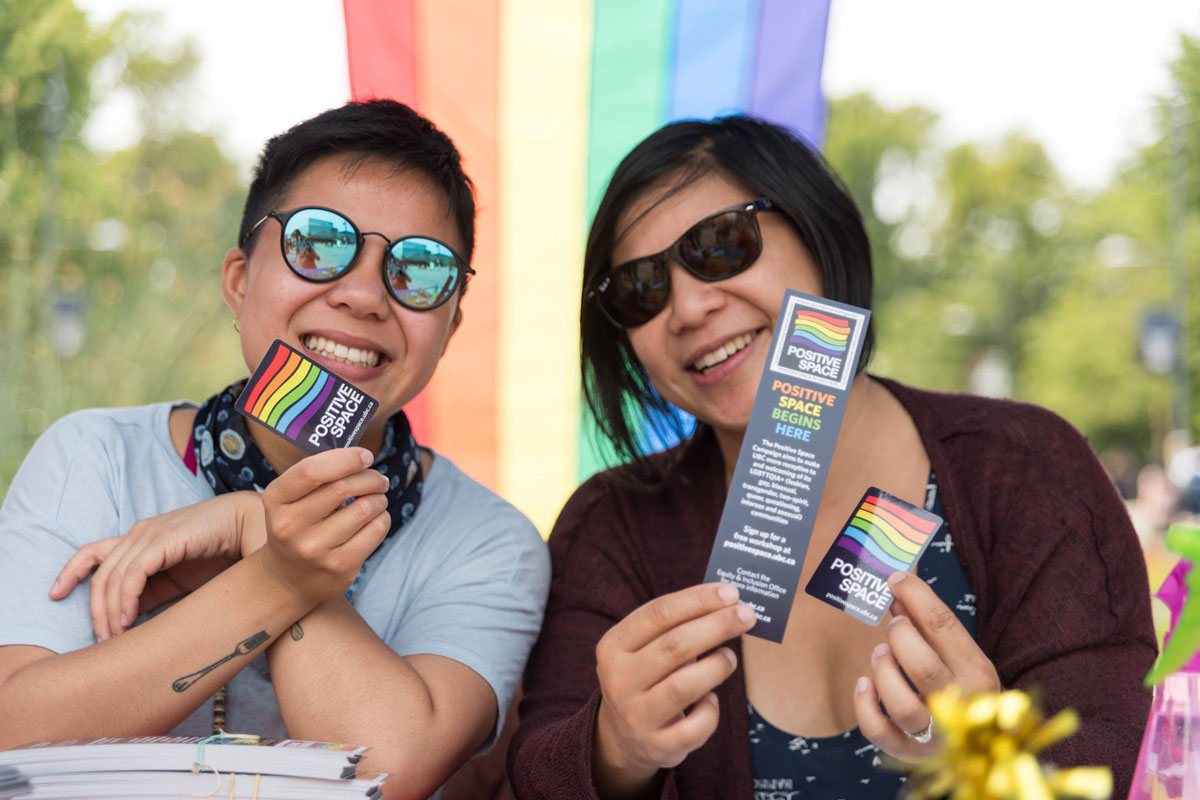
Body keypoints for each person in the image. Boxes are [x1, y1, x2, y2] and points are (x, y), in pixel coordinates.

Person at [507, 116, 1155, 800]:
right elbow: (537, 770)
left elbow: (1123, 761)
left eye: (721, 245)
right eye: (641, 289)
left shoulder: (1027, 468)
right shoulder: (612, 524)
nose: (689, 307)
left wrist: (990, 760)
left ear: (817, 230)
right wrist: (614, 750)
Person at [0, 100, 550, 800]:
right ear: (239, 281)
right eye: (318, 244)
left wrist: (254, 531)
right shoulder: (95, 458)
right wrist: (275, 571)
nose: (363, 296)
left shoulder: (490, 542)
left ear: (449, 327)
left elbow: (387, 774)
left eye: (419, 269)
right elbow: (14, 733)